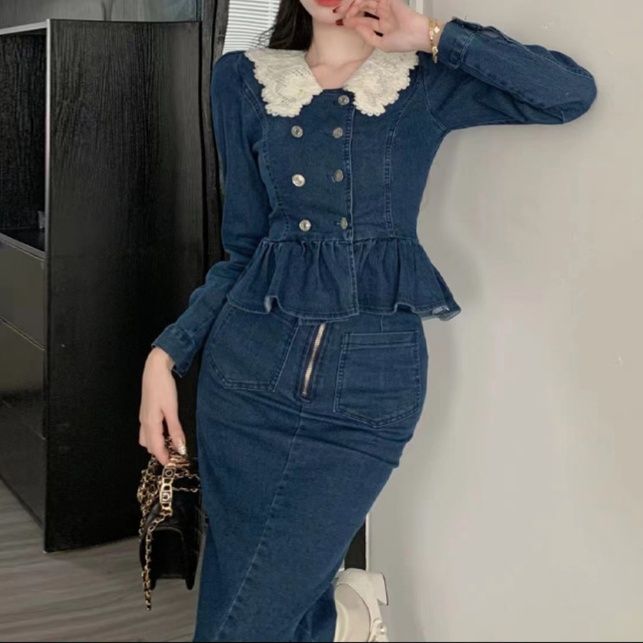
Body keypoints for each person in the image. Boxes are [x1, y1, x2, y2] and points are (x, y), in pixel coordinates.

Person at [138, 0, 597, 640]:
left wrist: (432, 34)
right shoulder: (242, 78)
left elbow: (569, 93)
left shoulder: (422, 79)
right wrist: (166, 355)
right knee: (247, 589)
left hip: (369, 385)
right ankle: (337, 623)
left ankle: (342, 619)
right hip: (245, 381)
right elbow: (242, 249)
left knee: (247, 616)